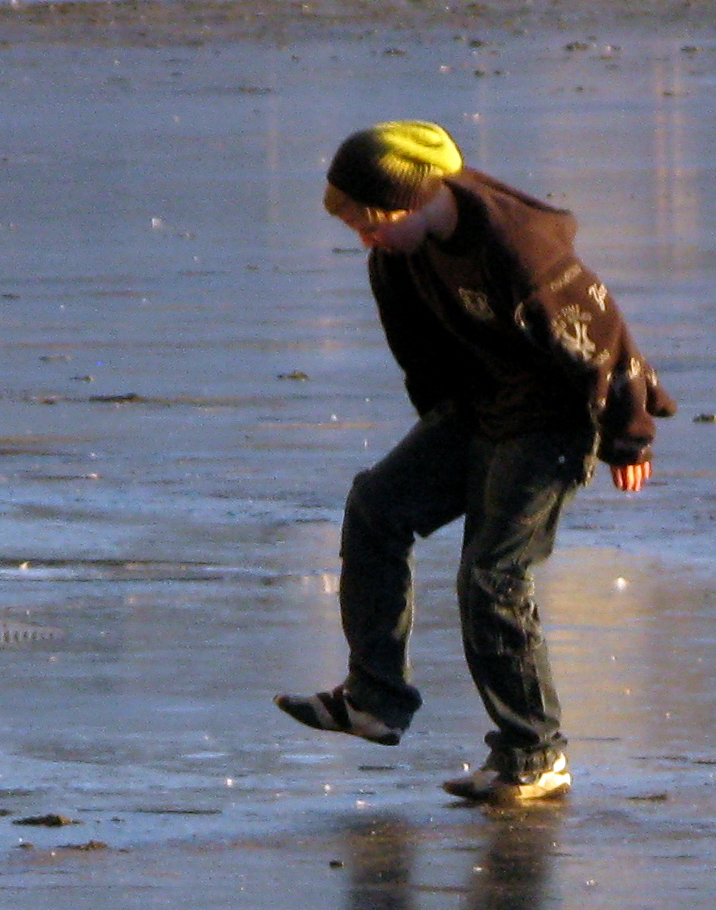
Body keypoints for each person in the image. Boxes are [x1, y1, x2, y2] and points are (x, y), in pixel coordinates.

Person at [278, 122, 674, 802]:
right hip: (477, 410)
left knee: (492, 577)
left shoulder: (517, 247)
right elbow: (419, 353)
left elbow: (604, 333)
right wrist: (438, 428)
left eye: (370, 225)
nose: (365, 241)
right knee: (376, 509)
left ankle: (534, 752)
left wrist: (629, 434)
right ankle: (373, 698)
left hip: (552, 422)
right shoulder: (397, 258)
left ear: (410, 200)